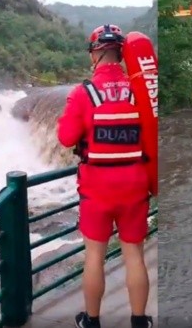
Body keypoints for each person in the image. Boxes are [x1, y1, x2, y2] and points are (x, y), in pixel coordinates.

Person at [57, 24, 153, 328]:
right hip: (135, 186)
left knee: (94, 257)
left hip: (97, 188)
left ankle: (92, 322)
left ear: (96, 53)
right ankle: (139, 321)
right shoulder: (140, 92)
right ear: (120, 52)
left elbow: (66, 137)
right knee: (134, 255)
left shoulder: (83, 93)